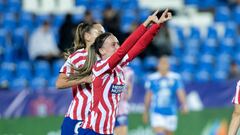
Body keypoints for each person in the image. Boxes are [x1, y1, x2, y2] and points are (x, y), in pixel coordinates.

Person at [77, 9, 172, 135]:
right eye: (113, 45)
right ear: (101, 50)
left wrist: (157, 25)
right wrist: (145, 24)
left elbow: (140, 46)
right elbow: (124, 49)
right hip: (92, 130)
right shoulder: (100, 67)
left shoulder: (119, 65)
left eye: (118, 44)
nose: (117, 47)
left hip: (107, 130)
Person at [55, 22, 105, 135]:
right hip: (77, 116)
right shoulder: (77, 56)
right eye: (100, 33)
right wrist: (84, 79)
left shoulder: (107, 59)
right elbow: (59, 83)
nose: (103, 36)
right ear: (87, 36)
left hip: (99, 119)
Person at [143, 55, 188, 135]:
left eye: (165, 63)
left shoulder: (175, 78)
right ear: (158, 66)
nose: (163, 66)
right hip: (157, 112)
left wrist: (184, 105)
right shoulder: (152, 78)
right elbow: (148, 96)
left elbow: (180, 92)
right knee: (160, 133)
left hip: (171, 113)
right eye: (161, 63)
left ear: (168, 65)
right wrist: (145, 112)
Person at [114, 66, 134, 135]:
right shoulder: (109, 67)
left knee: (122, 132)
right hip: (109, 107)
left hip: (121, 107)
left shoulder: (129, 71)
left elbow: (130, 87)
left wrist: (126, 98)